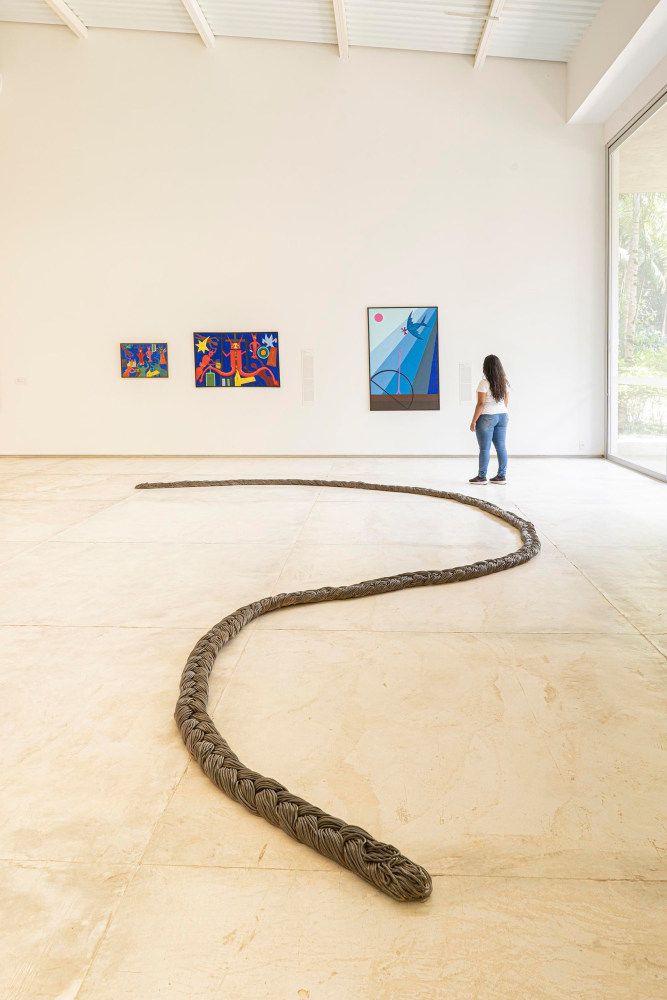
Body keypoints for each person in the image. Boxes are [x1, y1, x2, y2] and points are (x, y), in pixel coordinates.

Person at [468, 355, 509, 484]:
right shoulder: (504, 383)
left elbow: (481, 404)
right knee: (501, 447)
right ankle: (501, 476)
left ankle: (481, 477)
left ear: (486, 368)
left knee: (485, 449)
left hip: (487, 417)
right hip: (503, 416)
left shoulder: (484, 383)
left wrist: (474, 420)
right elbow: (506, 402)